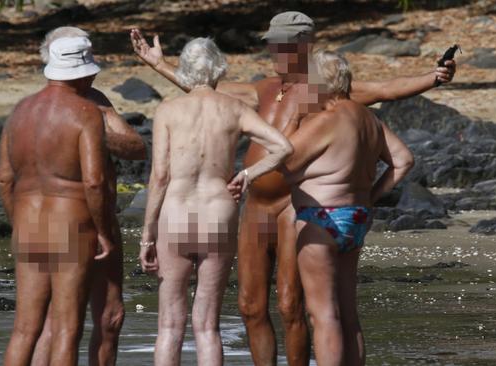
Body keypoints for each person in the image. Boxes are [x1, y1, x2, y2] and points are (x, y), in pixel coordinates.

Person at [130, 10, 456, 366]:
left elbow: (384, 91)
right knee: (250, 306)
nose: (275, 53)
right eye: (272, 46)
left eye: (283, 46)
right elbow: (205, 90)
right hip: (253, 205)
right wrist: (158, 65)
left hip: (293, 204)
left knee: (290, 304)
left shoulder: (323, 90)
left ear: (304, 46)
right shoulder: (263, 89)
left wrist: (433, 77)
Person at [138, 37, 292, 366]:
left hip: (176, 214)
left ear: (184, 70)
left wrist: (147, 235)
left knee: (169, 326)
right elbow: (282, 147)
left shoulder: (167, 110)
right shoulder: (234, 109)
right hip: (218, 215)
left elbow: (160, 177)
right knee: (208, 327)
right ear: (219, 68)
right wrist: (248, 174)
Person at [281, 50, 414, 366]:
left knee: (324, 315)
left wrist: (295, 117)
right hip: (356, 217)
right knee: (348, 313)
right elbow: (404, 160)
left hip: (321, 218)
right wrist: (371, 195)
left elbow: (282, 160)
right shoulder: (368, 117)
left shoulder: (327, 119)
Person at [30, 27, 147, 366]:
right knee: (60, 321)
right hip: (78, 221)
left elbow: (136, 148)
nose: (94, 73)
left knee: (107, 318)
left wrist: (90, 127)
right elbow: (129, 154)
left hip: (76, 221)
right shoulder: (53, 107)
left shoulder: (90, 102)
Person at [0, 36, 115, 366]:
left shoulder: (20, 111)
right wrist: (104, 231)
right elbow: (94, 181)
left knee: (24, 329)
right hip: (71, 225)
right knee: (67, 328)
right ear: (81, 72)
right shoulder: (85, 113)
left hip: (28, 224)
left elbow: (5, 178)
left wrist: (16, 221)